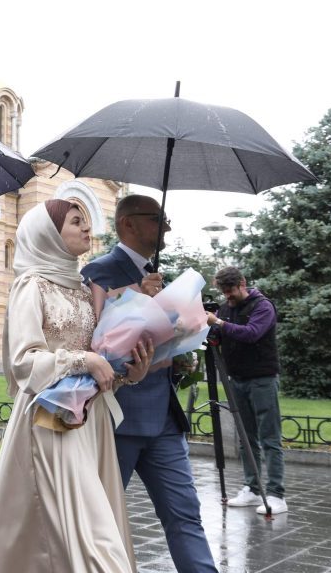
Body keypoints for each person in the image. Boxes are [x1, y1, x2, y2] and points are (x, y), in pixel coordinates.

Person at [0, 201, 151, 573]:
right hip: (51, 424)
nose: (87, 229)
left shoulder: (83, 287)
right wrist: (84, 360)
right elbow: (23, 362)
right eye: (77, 222)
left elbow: (98, 359)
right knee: (92, 540)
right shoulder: (31, 285)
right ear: (49, 234)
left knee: (71, 532)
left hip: (91, 423)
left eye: (87, 222)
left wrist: (128, 373)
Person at [81, 194, 217, 573]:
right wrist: (139, 299)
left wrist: (181, 344)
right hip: (120, 419)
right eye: (158, 219)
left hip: (164, 421)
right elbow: (92, 341)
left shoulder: (158, 272)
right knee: (101, 521)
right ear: (128, 224)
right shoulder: (98, 272)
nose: (167, 227)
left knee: (185, 514)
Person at [205, 266, 286, 515]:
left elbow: (251, 334)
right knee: (246, 439)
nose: (227, 297)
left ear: (242, 283)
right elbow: (222, 333)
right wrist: (213, 328)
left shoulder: (263, 306)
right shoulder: (227, 307)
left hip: (262, 379)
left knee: (269, 438)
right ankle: (251, 489)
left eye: (230, 291)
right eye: (224, 292)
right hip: (236, 379)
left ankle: (276, 494)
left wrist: (219, 321)